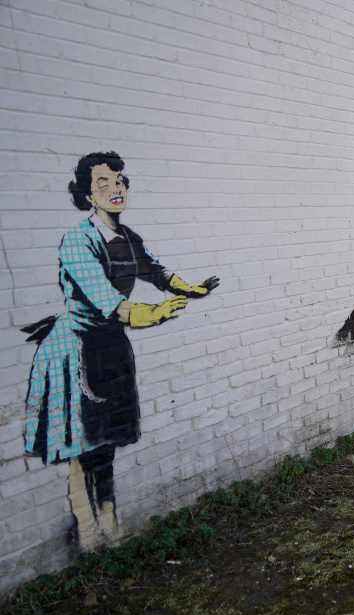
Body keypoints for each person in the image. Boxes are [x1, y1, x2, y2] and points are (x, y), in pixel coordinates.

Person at [22, 151, 219, 550]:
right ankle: (88, 528)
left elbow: (155, 270)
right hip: (75, 352)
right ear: (86, 194)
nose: (116, 189)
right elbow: (107, 301)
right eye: (103, 184)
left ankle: (110, 522)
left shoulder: (128, 238)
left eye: (120, 181)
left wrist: (189, 287)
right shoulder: (78, 241)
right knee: (81, 444)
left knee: (107, 439)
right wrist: (156, 314)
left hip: (111, 349)